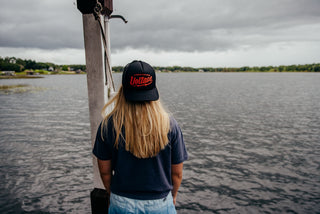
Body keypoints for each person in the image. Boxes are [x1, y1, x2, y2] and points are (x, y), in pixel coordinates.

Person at [93, 60, 188, 214]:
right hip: (160, 204)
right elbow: (177, 173)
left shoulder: (108, 125)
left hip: (121, 202)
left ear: (123, 91)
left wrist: (113, 195)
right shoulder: (169, 125)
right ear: (153, 91)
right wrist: (174, 196)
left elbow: (104, 172)